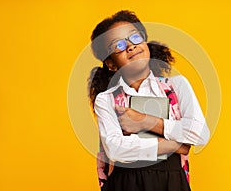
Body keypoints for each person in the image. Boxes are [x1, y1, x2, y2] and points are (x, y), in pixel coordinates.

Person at [88, 10, 210, 191]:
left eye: (135, 38)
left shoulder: (176, 86)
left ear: (145, 43)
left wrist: (145, 121)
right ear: (111, 64)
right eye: (118, 45)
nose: (130, 46)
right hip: (125, 184)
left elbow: (200, 133)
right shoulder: (106, 99)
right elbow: (116, 149)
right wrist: (174, 144)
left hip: (172, 182)